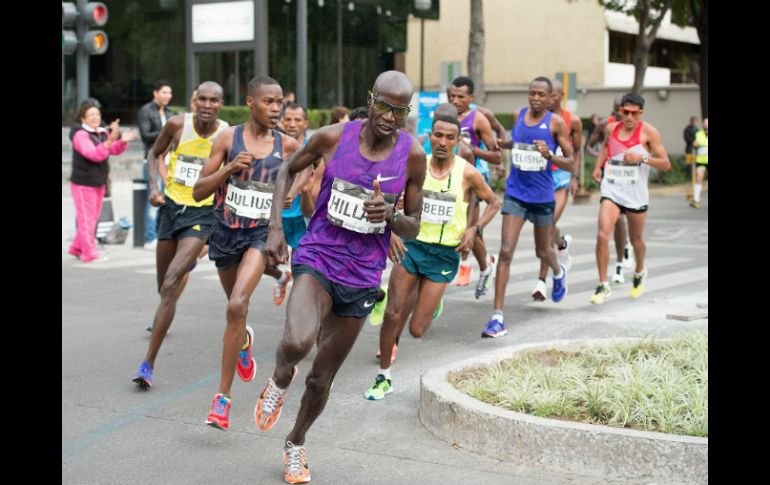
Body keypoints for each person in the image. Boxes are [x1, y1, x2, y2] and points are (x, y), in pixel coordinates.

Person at [255, 71, 425, 484]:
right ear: (371, 98)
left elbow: (414, 226)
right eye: (383, 105)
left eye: (398, 111)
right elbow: (284, 172)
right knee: (297, 342)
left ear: (406, 113)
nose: (388, 116)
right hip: (319, 256)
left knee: (321, 379)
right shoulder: (334, 136)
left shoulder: (413, 155)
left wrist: (393, 216)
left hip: (364, 275)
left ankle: (296, 442)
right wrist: (275, 227)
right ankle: (279, 375)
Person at [364, 110, 501, 400]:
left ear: (458, 140)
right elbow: (395, 203)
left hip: (443, 255)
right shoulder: (417, 166)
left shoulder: (467, 173)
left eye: (449, 137)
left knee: (417, 329)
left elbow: (494, 202)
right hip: (414, 246)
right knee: (392, 313)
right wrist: (394, 232)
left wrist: (474, 229)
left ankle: (431, 301)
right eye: (438, 135)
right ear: (430, 136)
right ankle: (383, 376)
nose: (442, 141)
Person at [190, 76, 300, 430]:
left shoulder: (289, 145)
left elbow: (314, 168)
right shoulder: (227, 139)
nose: (275, 108)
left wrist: (291, 194)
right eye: (268, 102)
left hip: (259, 235)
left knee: (237, 305)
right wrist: (228, 168)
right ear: (250, 102)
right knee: (235, 313)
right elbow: (197, 192)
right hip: (224, 232)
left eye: (279, 102)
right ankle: (244, 339)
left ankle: (221, 400)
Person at [131, 82, 229, 388]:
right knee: (164, 287)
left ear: (221, 105)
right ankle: (186, 265)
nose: (207, 104)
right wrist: (155, 188)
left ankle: (147, 363)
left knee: (173, 280)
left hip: (202, 214)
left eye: (214, 100)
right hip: (171, 210)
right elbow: (153, 153)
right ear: (193, 100)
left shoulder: (227, 134)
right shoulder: (176, 125)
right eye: (202, 99)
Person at [482, 77, 574, 338]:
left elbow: (571, 163)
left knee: (543, 250)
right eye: (532, 93)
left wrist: (550, 156)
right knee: (506, 251)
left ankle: (558, 271)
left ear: (549, 98)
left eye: (541, 94)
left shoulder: (556, 123)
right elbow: (519, 143)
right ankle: (497, 317)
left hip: (542, 197)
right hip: (515, 194)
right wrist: (503, 145)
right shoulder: (518, 115)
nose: (535, 98)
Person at [589, 93, 671, 304]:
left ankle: (639, 271)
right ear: (620, 111)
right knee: (601, 235)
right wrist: (599, 167)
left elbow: (665, 163)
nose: (628, 117)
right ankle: (603, 284)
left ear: (640, 113)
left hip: (635, 193)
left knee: (636, 240)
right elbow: (606, 147)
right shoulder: (611, 129)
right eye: (625, 112)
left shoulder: (649, 132)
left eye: (633, 113)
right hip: (612, 189)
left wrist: (642, 157)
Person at [447, 76, 502, 297]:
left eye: (461, 96)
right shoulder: (444, 116)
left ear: (471, 98)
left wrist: (471, 150)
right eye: (452, 95)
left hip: (474, 178)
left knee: (468, 227)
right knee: (459, 228)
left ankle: (483, 268)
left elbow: (497, 157)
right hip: (449, 175)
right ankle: (485, 265)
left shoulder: (478, 119)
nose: (455, 100)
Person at [531, 78, 583, 301]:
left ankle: (542, 282)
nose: (547, 99)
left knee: (548, 223)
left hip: (561, 176)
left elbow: (577, 151)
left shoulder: (573, 120)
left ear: (559, 96)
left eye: (552, 95)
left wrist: (574, 176)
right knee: (546, 227)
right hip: (541, 175)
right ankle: (562, 244)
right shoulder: (538, 117)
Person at [69, 100, 138, 263]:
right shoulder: (80, 134)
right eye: (91, 115)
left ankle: (77, 247)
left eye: (97, 114)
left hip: (99, 182)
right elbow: (93, 154)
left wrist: (122, 141)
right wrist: (109, 141)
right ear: (83, 119)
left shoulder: (100, 132)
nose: (95, 117)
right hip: (83, 183)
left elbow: (112, 150)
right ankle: (89, 253)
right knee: (87, 219)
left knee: (92, 218)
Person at [264, 103, 315, 305]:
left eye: (297, 120)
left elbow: (307, 171)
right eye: (288, 120)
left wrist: (293, 194)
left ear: (305, 123)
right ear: (282, 121)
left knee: (300, 266)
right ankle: (280, 277)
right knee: (262, 262)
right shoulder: (274, 144)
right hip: (275, 216)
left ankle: (298, 310)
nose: (292, 124)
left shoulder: (313, 147)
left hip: (301, 217)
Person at [587, 94, 634, 283]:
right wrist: (600, 160)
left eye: (623, 108)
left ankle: (625, 249)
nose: (619, 112)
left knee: (624, 218)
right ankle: (620, 265)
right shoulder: (605, 125)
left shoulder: (637, 127)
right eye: (616, 108)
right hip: (609, 177)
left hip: (629, 177)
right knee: (617, 219)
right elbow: (589, 146)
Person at [138, 80, 175, 250]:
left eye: (169, 93)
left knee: (168, 200)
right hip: (152, 161)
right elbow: (145, 135)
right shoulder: (146, 111)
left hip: (168, 163)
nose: (167, 96)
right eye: (164, 92)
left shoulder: (170, 113)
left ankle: (162, 234)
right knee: (154, 197)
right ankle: (149, 237)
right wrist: (166, 133)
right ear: (155, 93)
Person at [690, 117, 708, 208]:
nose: (706, 125)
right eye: (705, 123)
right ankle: (696, 199)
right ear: (703, 125)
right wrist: (695, 144)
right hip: (701, 160)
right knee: (699, 177)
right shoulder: (698, 134)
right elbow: (693, 144)